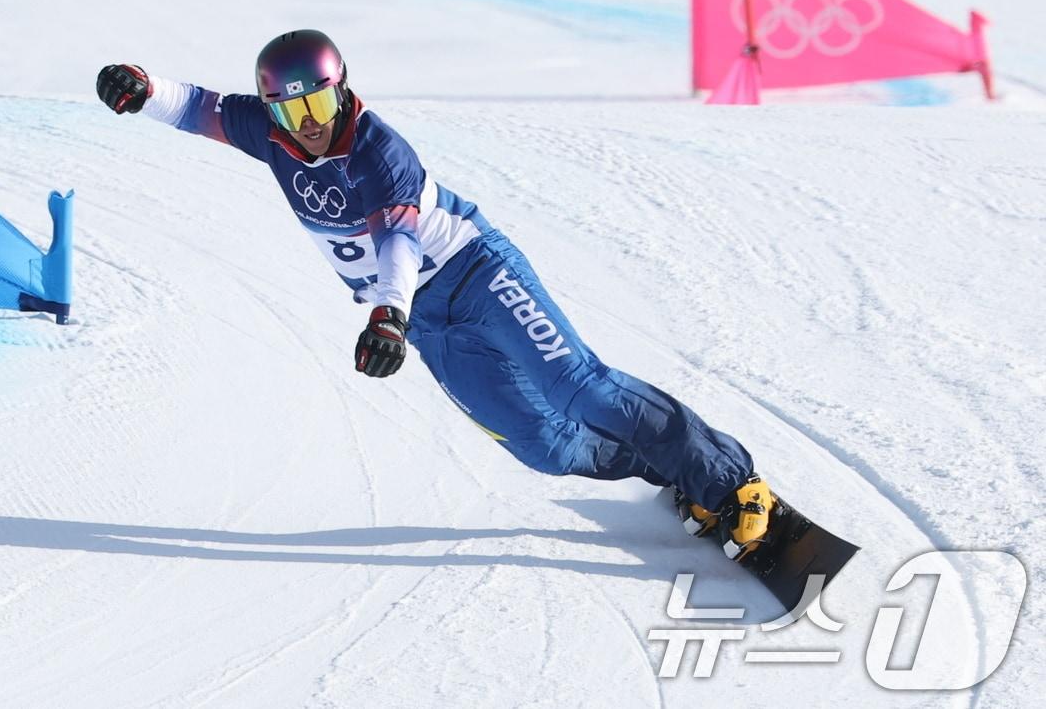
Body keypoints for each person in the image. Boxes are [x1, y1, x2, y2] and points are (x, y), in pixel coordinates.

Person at [96, 30, 776, 559]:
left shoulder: (379, 150)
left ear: (344, 92)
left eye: (322, 103)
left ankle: (730, 480)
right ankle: (675, 468)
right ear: (275, 110)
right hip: (427, 325)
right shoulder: (270, 134)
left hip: (475, 274)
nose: (310, 122)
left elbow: (399, 242)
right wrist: (141, 87)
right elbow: (200, 108)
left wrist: (387, 314)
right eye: (294, 108)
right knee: (544, 446)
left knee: (581, 388)